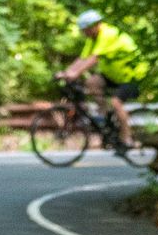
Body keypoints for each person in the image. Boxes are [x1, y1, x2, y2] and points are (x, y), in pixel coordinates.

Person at [56, 8, 148, 148]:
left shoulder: (108, 34)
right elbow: (83, 58)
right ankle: (106, 118)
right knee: (92, 82)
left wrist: (75, 73)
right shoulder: (93, 38)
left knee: (116, 102)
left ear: (95, 25)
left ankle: (127, 138)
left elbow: (94, 59)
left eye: (85, 30)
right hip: (114, 75)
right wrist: (66, 72)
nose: (84, 33)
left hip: (132, 75)